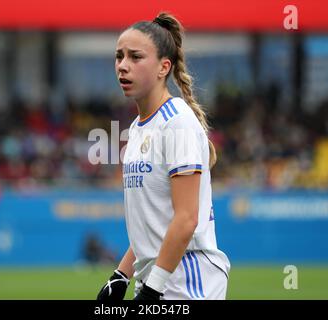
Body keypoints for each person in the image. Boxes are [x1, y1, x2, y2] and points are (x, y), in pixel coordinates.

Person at [97, 12, 230, 300]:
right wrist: (121, 275)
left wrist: (154, 287)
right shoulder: (136, 129)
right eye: (119, 56)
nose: (123, 66)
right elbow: (153, 224)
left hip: (189, 282)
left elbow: (185, 219)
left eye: (135, 57)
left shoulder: (177, 121)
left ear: (163, 67)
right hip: (160, 281)